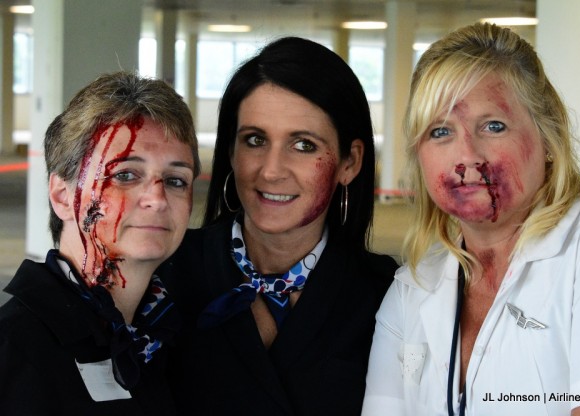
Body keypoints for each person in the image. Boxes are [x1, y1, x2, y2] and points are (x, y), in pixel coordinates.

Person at [362, 23, 580, 416]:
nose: (467, 156)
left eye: (494, 126)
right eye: (440, 131)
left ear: (548, 138)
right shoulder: (413, 289)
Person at [159, 36, 397, 415]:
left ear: (349, 162)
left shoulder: (389, 296)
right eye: (254, 140)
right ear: (231, 151)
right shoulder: (164, 271)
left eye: (303, 145)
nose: (270, 171)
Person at [0, 71, 200, 415]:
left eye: (175, 180)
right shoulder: (13, 353)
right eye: (125, 175)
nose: (157, 198)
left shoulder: (170, 337)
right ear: (62, 196)